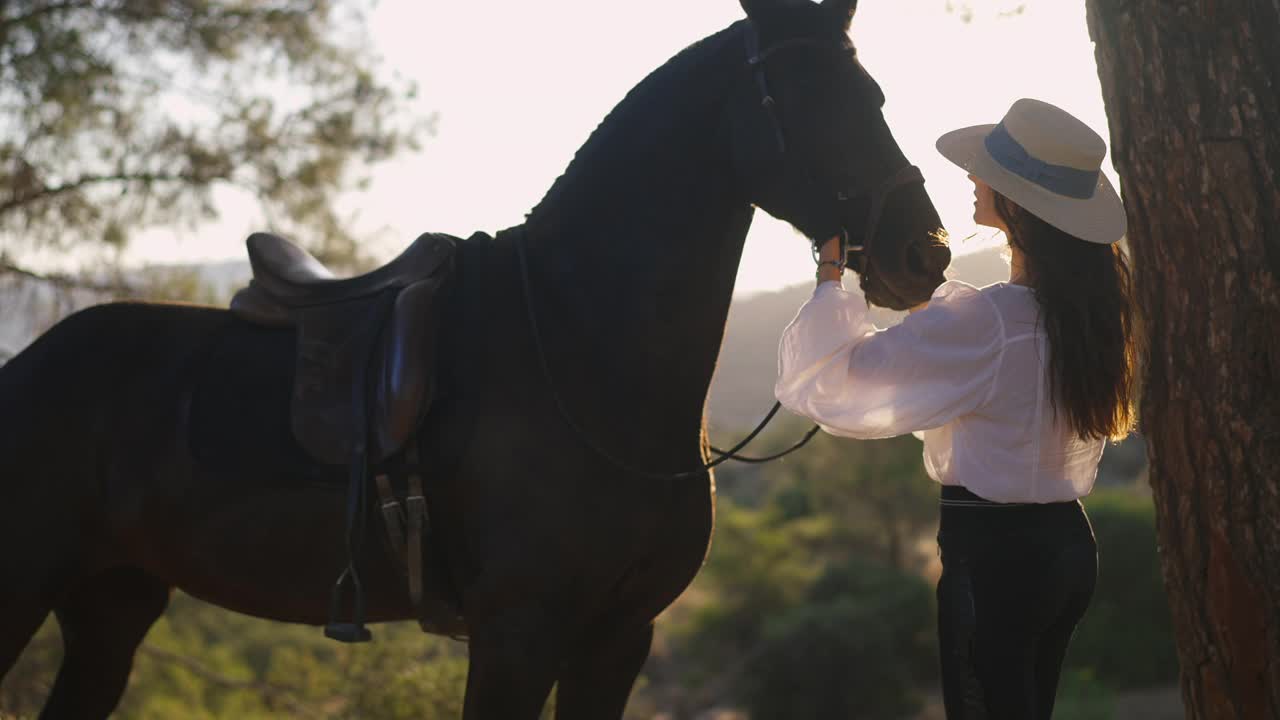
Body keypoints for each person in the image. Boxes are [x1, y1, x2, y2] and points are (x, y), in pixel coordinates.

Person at [774, 98, 1140, 719]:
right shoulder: (1085, 313)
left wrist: (833, 272)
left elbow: (835, 379)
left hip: (996, 559)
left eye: (987, 173)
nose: (973, 178)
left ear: (1018, 203)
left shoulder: (992, 320)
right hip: (1068, 547)